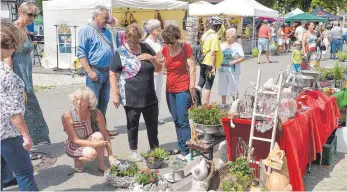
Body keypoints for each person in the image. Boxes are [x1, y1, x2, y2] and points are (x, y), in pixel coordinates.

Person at [109, 23, 162, 162]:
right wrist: (115, 94)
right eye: (129, 40)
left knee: (152, 124)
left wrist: (151, 58)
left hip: (149, 94)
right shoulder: (120, 52)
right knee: (133, 125)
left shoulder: (146, 47)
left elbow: (158, 69)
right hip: (130, 95)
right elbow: (113, 73)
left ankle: (154, 149)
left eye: (135, 40)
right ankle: (133, 151)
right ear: (125, 37)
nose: (132, 44)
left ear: (140, 38)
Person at [3, 2, 50, 146]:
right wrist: (10, 76)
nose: (33, 18)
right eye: (30, 14)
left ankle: (34, 138)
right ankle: (23, 139)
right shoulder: (12, 29)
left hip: (27, 73)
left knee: (29, 104)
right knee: (22, 105)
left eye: (35, 15)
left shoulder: (25, 29)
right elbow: (7, 56)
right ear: (20, 12)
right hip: (17, 71)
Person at [1, 22, 38, 191]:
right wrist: (26, 136)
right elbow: (14, 113)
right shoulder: (9, 77)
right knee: (24, 172)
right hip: (7, 133)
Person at [77, 5, 118, 136]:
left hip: (108, 71)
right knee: (92, 103)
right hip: (95, 71)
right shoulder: (86, 30)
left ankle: (101, 127)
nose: (107, 20)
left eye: (107, 18)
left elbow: (114, 22)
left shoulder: (106, 30)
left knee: (104, 102)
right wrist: (89, 71)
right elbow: (81, 53)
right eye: (105, 18)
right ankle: (90, 130)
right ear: (96, 17)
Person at [161, 24, 197, 160]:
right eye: (167, 42)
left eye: (172, 42)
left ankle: (187, 152)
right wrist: (157, 61)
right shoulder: (165, 49)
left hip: (183, 88)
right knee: (176, 119)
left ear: (177, 38)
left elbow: (192, 68)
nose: (170, 45)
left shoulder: (185, 47)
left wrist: (192, 87)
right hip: (170, 89)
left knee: (183, 120)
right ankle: (182, 147)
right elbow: (161, 68)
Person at [62, 87, 116, 172]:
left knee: (99, 135)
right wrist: (95, 145)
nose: (79, 103)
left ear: (90, 102)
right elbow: (75, 140)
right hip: (74, 145)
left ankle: (101, 165)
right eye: (77, 99)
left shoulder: (97, 113)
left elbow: (105, 135)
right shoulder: (67, 116)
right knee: (92, 154)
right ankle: (78, 159)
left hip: (89, 139)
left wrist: (110, 155)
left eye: (83, 100)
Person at [197, 16, 223, 104]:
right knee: (209, 84)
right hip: (209, 62)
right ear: (218, 26)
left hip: (203, 61)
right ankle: (205, 105)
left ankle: (196, 101)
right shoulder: (214, 36)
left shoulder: (205, 34)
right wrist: (213, 66)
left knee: (201, 81)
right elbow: (213, 52)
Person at [144, 19, 165, 125]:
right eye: (158, 29)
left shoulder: (158, 41)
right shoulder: (147, 43)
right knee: (152, 94)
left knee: (158, 94)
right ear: (152, 30)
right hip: (152, 72)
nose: (160, 30)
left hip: (160, 70)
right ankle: (151, 117)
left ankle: (156, 116)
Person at [218, 28, 245, 108]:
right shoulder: (222, 45)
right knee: (222, 85)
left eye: (228, 34)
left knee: (234, 85)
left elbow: (242, 57)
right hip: (222, 69)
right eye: (226, 34)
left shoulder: (237, 46)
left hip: (233, 70)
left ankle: (235, 103)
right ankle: (223, 103)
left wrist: (234, 61)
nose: (227, 36)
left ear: (233, 35)